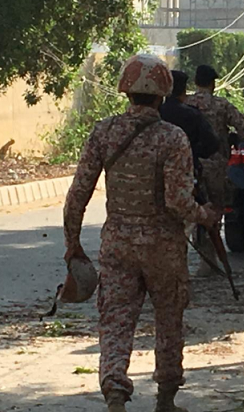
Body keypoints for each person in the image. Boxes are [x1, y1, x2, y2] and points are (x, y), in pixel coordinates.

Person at [63, 54, 219, 412]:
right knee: (168, 319)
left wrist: (72, 244)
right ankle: (166, 398)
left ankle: (115, 391)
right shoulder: (173, 138)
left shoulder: (104, 132)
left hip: (118, 244)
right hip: (164, 246)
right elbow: (180, 201)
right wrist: (205, 216)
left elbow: (77, 195)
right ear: (163, 94)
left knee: (116, 319)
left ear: (126, 90)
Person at [187, 65, 244, 275]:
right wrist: (232, 139)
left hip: (189, 166)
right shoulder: (221, 105)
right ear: (213, 83)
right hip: (216, 165)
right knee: (215, 210)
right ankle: (213, 258)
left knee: (194, 211)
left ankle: (205, 260)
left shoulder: (185, 104)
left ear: (195, 82)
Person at [160, 70, 219, 172]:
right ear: (184, 90)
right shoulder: (192, 114)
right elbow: (211, 144)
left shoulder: (157, 113)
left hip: (158, 170)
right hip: (186, 170)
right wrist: (192, 152)